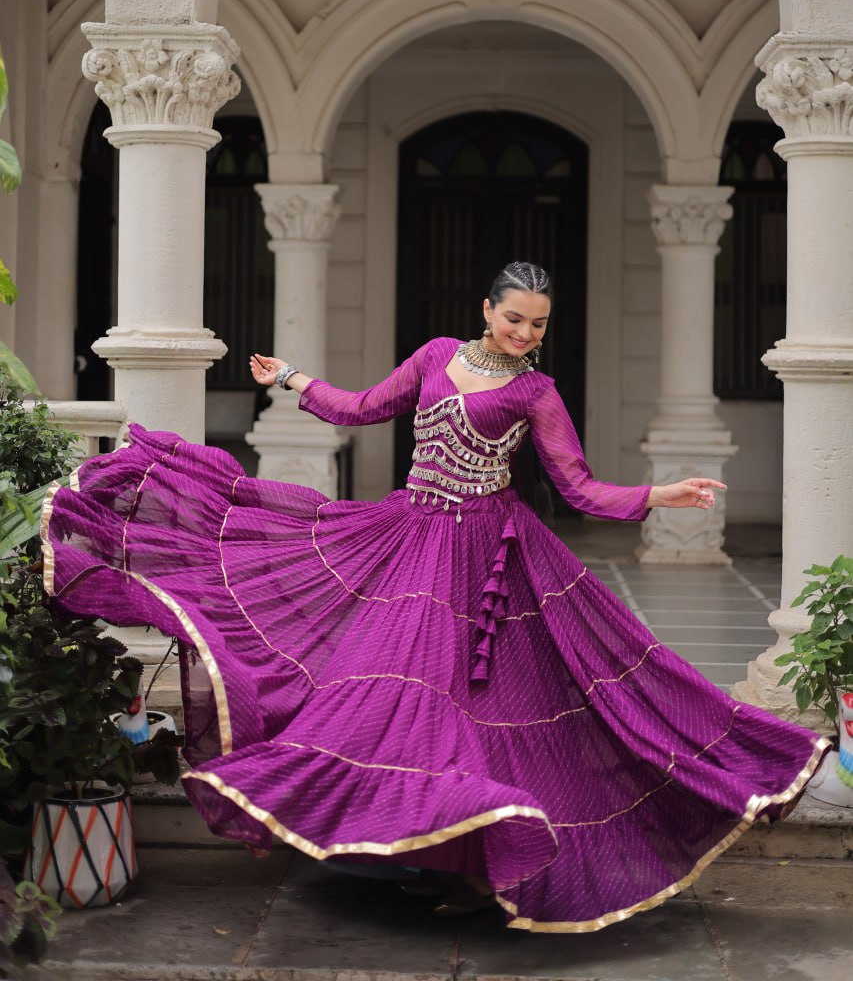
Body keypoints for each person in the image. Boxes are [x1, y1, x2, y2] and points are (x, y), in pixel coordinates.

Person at [42, 261, 827, 932]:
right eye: (514, 319)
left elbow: (578, 488)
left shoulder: (536, 395)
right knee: (388, 689)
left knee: (486, 701)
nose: (524, 334)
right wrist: (292, 379)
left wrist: (659, 495)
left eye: (538, 325)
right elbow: (362, 408)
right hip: (407, 535)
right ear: (486, 310)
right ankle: (412, 844)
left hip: (488, 558)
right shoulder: (434, 355)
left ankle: (471, 855)